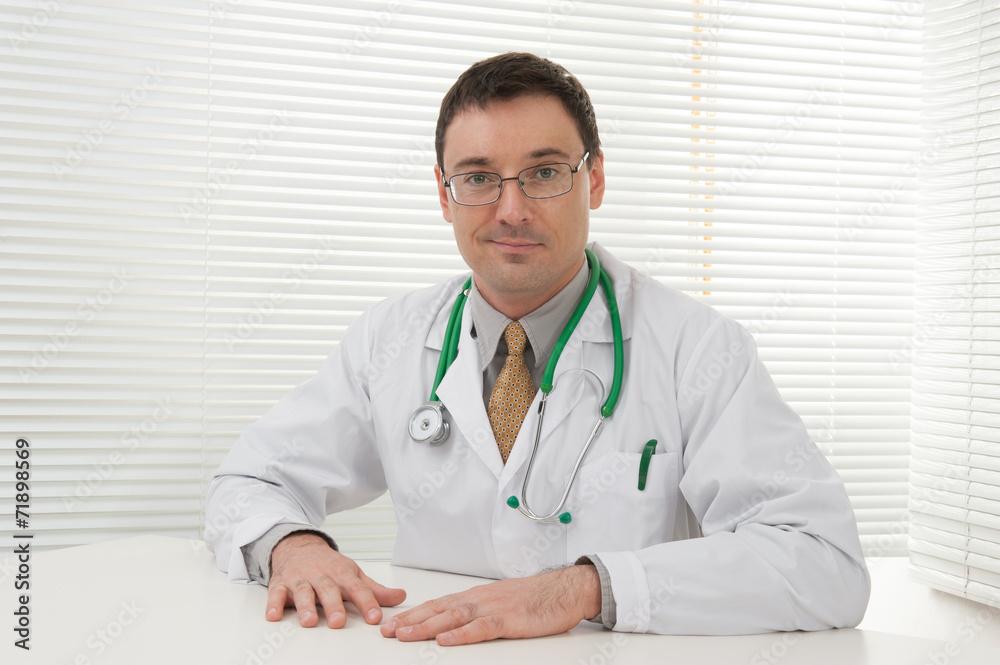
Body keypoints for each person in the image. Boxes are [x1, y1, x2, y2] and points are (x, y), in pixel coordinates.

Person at [205, 52, 870, 646]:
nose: (511, 210)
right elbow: (250, 480)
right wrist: (294, 546)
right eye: (478, 178)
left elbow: (823, 562)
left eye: (544, 172)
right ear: (444, 194)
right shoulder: (390, 338)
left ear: (595, 180)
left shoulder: (696, 348)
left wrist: (581, 589)